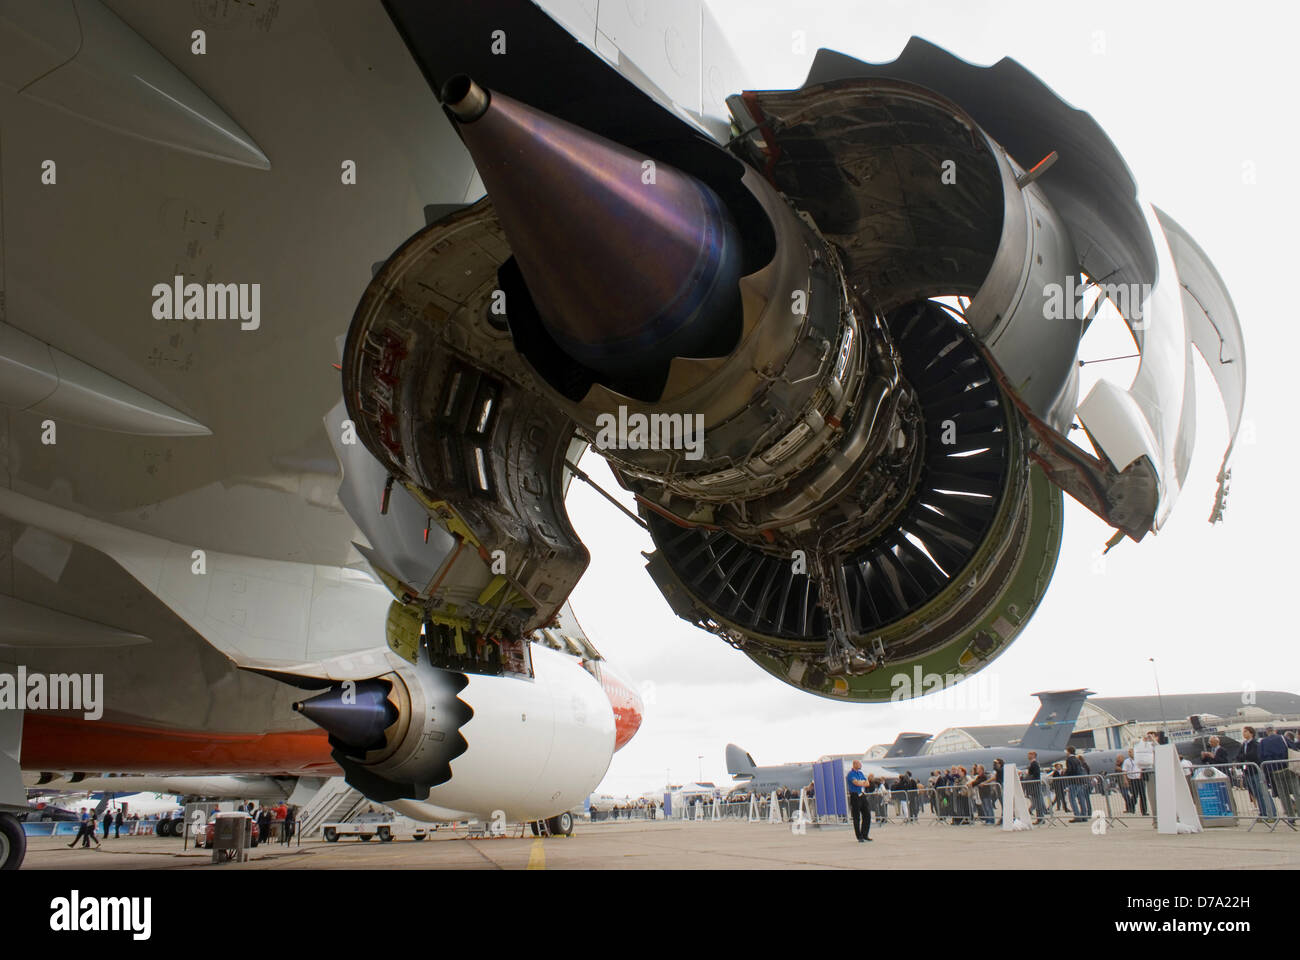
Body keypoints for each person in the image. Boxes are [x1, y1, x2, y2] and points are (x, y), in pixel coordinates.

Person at [847, 760, 871, 842]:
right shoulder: (851, 774)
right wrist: (862, 782)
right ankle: (859, 836)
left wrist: (863, 783)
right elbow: (856, 783)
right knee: (856, 817)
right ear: (855, 764)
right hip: (855, 796)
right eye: (859, 764)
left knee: (867, 815)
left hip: (862, 795)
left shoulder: (860, 773)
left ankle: (865, 834)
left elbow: (867, 783)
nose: (860, 765)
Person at [1122, 747, 1147, 815]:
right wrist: (1125, 780)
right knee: (1134, 795)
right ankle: (1132, 808)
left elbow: (1142, 768)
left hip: (1140, 779)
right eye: (1129, 752)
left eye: (1131, 752)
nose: (1130, 753)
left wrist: (1141, 775)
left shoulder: (1139, 760)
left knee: (1143, 795)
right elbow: (1124, 771)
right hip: (1132, 780)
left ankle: (1144, 811)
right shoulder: (1126, 761)